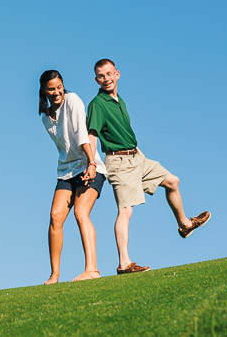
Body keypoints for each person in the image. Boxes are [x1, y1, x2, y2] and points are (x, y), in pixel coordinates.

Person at [87, 58, 210, 275]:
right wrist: (91, 162)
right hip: (119, 162)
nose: (106, 79)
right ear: (96, 80)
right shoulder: (97, 104)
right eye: (101, 76)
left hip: (137, 157)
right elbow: (92, 134)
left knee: (173, 181)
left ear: (117, 74)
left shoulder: (119, 101)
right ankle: (124, 264)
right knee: (125, 211)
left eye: (109, 74)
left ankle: (184, 225)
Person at [39, 70, 107, 284]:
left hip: (89, 165)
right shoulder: (45, 117)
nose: (57, 91)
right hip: (67, 171)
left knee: (80, 212)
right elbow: (64, 147)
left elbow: (80, 133)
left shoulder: (73, 100)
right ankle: (54, 275)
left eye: (59, 87)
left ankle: (92, 269)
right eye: (51, 88)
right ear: (44, 90)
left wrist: (92, 163)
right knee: (55, 216)